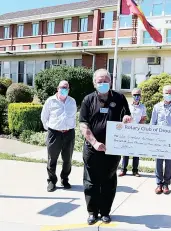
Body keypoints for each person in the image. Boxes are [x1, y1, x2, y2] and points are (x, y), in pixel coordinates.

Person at [79, 69, 132, 225]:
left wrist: (127, 118)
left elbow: (126, 115)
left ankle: (105, 212)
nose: (103, 84)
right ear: (94, 83)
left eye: (105, 81)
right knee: (91, 181)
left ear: (110, 82)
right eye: (99, 81)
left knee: (108, 181)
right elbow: (83, 124)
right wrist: (94, 143)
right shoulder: (88, 100)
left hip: (113, 148)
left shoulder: (119, 97)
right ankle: (92, 212)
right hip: (92, 149)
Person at [41, 80, 77, 192]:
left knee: (67, 159)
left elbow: (74, 116)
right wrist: (51, 129)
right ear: (57, 88)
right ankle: (52, 181)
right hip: (54, 133)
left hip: (69, 133)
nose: (64, 89)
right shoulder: (50, 101)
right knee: (52, 159)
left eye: (66, 87)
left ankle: (65, 179)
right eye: (62, 87)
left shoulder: (72, 101)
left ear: (69, 89)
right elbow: (44, 117)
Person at [150, 85, 171, 195]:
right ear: (162, 94)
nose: (168, 95)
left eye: (170, 93)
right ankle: (159, 183)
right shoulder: (157, 107)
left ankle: (166, 184)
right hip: (159, 139)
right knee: (158, 161)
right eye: (166, 93)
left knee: (169, 162)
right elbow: (153, 123)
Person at [118, 88, 147, 177]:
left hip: (137, 132)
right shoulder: (127, 106)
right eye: (135, 95)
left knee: (136, 152)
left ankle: (135, 170)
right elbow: (122, 117)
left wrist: (138, 127)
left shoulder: (142, 107)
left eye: (138, 95)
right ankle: (123, 170)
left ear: (141, 96)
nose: (136, 96)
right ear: (132, 95)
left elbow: (143, 119)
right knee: (126, 151)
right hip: (127, 131)